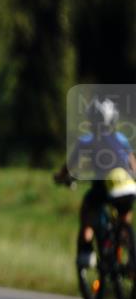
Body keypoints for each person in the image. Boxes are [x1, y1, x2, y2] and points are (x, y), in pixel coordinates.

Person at [54, 97, 136, 268]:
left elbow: (70, 166)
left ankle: (86, 252)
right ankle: (128, 253)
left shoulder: (87, 140)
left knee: (88, 208)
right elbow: (132, 162)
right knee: (124, 218)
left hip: (105, 184)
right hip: (128, 184)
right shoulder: (121, 138)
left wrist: (62, 177)